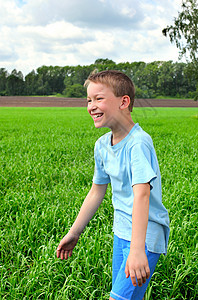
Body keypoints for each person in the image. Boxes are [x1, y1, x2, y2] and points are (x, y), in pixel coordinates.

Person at [57, 70, 170, 300]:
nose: (91, 106)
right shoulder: (102, 146)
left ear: (123, 102)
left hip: (144, 237)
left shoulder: (138, 143)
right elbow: (96, 190)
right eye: (88, 100)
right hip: (122, 233)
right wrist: (74, 232)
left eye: (99, 98)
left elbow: (142, 195)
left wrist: (138, 249)